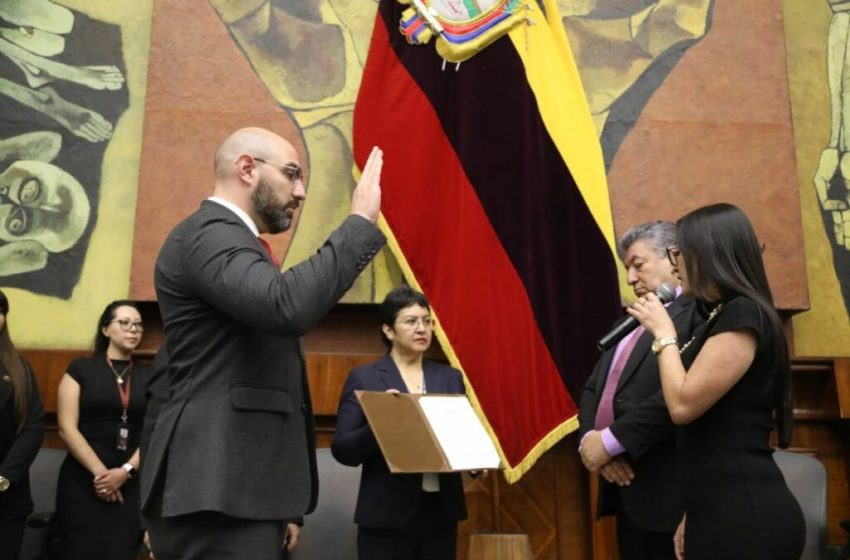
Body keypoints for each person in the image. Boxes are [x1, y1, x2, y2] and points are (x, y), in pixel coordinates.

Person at [140, 127, 385, 560]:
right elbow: (285, 305)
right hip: (215, 484)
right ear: (247, 168)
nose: (301, 191)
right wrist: (359, 224)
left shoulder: (234, 242)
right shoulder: (209, 233)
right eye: (292, 174)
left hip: (238, 484)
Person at [628, 203, 805, 559]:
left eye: (679, 253)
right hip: (713, 509)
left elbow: (680, 406)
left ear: (708, 254)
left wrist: (663, 332)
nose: (675, 264)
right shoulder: (716, 316)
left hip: (746, 514)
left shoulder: (743, 313)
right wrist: (694, 510)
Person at [578, 221, 693, 560]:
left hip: (668, 489)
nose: (630, 278)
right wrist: (593, 443)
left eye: (637, 265)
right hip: (624, 487)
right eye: (627, 268)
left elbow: (676, 397)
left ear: (673, 260)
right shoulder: (625, 324)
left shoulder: (696, 316)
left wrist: (612, 440)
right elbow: (592, 389)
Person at [331, 286, 467, 559]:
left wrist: (474, 461)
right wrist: (382, 423)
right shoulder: (364, 378)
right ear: (388, 330)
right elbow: (343, 450)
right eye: (411, 321)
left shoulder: (450, 377)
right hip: (386, 515)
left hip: (441, 513)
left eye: (427, 321)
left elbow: (461, 436)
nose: (422, 328)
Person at [55, 300, 152, 559]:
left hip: (130, 483)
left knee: (119, 551)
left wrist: (125, 472)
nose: (134, 329)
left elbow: (155, 431)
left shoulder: (151, 376)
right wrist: (102, 476)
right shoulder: (80, 369)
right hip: (83, 481)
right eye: (125, 323)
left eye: (139, 325)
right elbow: (66, 428)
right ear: (106, 329)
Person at [0, 288, 44, 560]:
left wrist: (3, 478)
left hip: (5, 500)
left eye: (1, 311)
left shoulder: (18, 368)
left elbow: (33, 427)